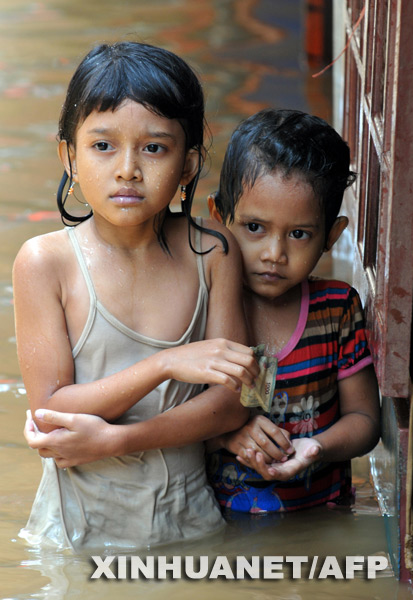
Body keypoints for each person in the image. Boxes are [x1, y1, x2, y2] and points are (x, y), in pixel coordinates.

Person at [13, 41, 259, 552]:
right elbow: (52, 412)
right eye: (103, 146)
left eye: (154, 147)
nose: (127, 168)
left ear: (189, 165)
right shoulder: (46, 264)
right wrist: (165, 365)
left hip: (193, 528)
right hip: (77, 539)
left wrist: (121, 439)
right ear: (69, 157)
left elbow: (234, 402)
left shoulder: (212, 252)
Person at [205, 108, 380, 513]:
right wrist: (228, 435)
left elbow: (365, 422)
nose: (274, 254)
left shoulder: (337, 309)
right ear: (219, 219)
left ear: (331, 236)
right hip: (222, 528)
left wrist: (316, 447)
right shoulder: (203, 303)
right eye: (254, 228)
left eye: (299, 234)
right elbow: (171, 417)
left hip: (321, 516)